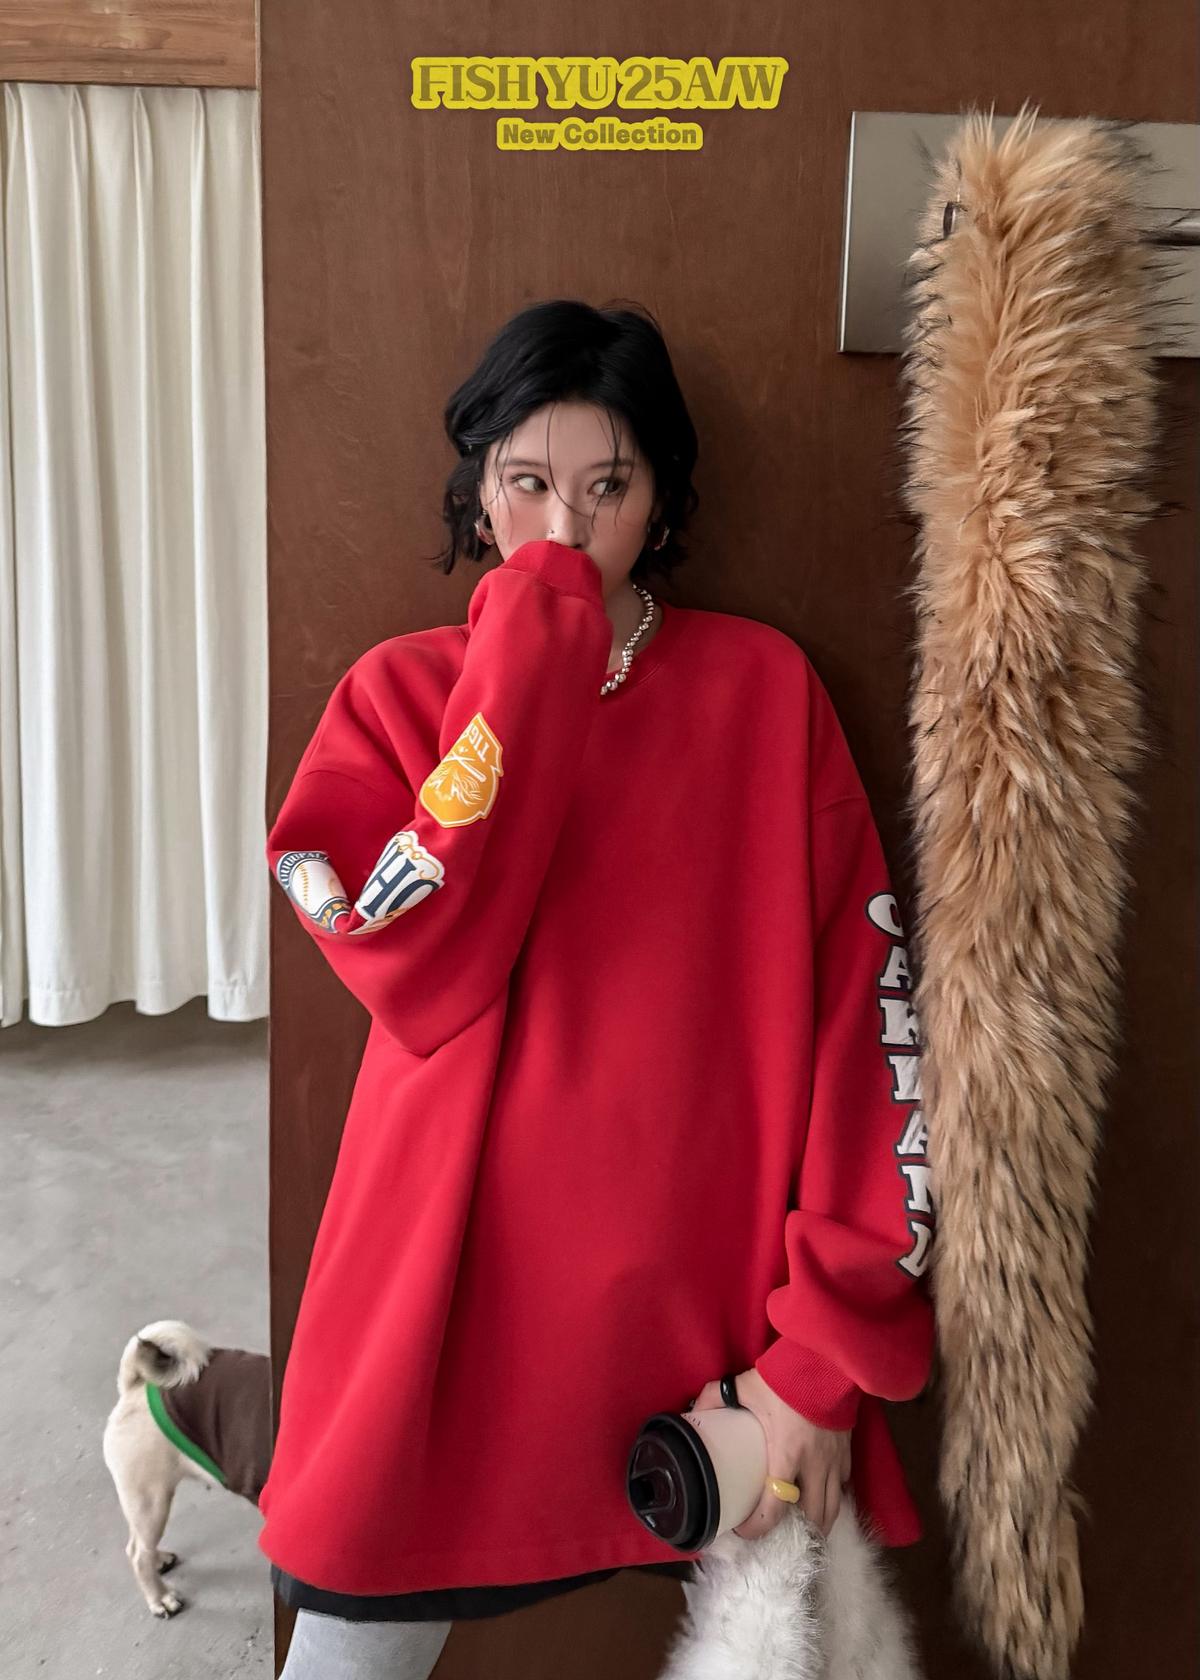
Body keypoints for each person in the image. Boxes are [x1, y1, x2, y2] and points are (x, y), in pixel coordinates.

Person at [262, 299, 935, 1680]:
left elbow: (866, 1028)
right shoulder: (400, 697)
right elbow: (419, 970)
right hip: (441, 1319)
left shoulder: (764, 694)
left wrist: (822, 1352)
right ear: (477, 494)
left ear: (662, 499)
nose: (564, 527)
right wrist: (534, 647)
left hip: (712, 1336)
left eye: (606, 487)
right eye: (526, 483)